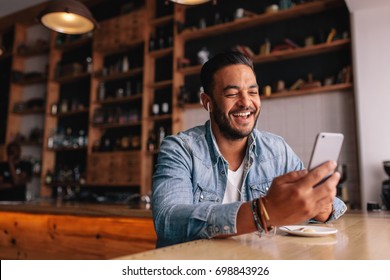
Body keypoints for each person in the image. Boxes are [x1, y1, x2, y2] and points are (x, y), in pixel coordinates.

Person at [152, 51, 347, 248]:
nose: (246, 102)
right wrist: (262, 211)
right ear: (207, 102)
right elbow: (168, 221)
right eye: (232, 93)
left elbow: (321, 207)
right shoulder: (180, 149)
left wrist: (321, 206)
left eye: (253, 92)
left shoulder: (277, 150)